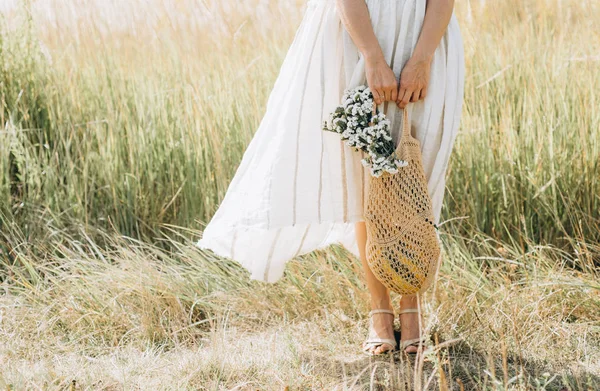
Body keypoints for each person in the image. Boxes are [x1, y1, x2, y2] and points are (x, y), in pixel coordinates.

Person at [197, 0, 465, 355]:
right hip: (359, 34)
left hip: (424, 35)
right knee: (364, 172)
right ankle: (380, 312)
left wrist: (422, 58)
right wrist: (371, 56)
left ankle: (412, 308)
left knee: (418, 171)